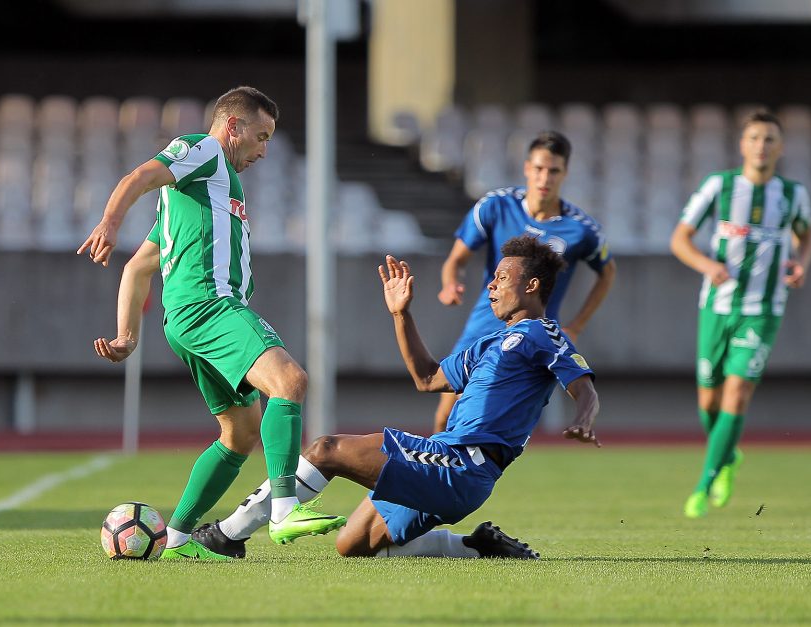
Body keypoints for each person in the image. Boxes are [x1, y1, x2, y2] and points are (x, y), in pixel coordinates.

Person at [189, 236, 601, 559]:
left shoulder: (543, 335)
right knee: (353, 544)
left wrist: (583, 417)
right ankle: (475, 546)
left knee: (326, 449)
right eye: (491, 277)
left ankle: (228, 534)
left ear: (531, 285)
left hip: (463, 464)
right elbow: (426, 378)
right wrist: (400, 313)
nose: (491, 285)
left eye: (502, 279)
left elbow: (583, 386)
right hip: (445, 459)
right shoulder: (490, 343)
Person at [79, 86, 345, 560]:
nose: (264, 150)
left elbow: (137, 269)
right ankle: (284, 508)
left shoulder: (193, 199)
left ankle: (178, 539)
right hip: (210, 306)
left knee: (240, 434)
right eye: (261, 137)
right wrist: (110, 221)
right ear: (233, 127)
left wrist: (127, 335)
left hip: (186, 319)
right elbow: (141, 174)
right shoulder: (203, 151)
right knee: (290, 381)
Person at [670, 108, 811, 519]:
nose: (761, 146)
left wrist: (802, 264)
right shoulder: (720, 186)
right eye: (754, 138)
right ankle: (729, 456)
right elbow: (680, 238)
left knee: (737, 392)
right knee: (708, 400)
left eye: (770, 139)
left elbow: (806, 237)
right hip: (716, 306)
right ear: (742, 144)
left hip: (763, 309)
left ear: (780, 147)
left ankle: (705, 482)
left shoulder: (792, 194)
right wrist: (707, 266)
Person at [433, 131, 616, 433]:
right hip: (484, 324)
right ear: (527, 168)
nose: (546, 178)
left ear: (565, 173)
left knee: (506, 415)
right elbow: (456, 259)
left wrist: (577, 324)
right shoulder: (495, 206)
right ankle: (435, 472)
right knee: (447, 410)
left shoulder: (581, 230)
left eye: (554, 170)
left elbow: (608, 273)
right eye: (540, 168)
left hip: (534, 333)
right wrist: (450, 283)